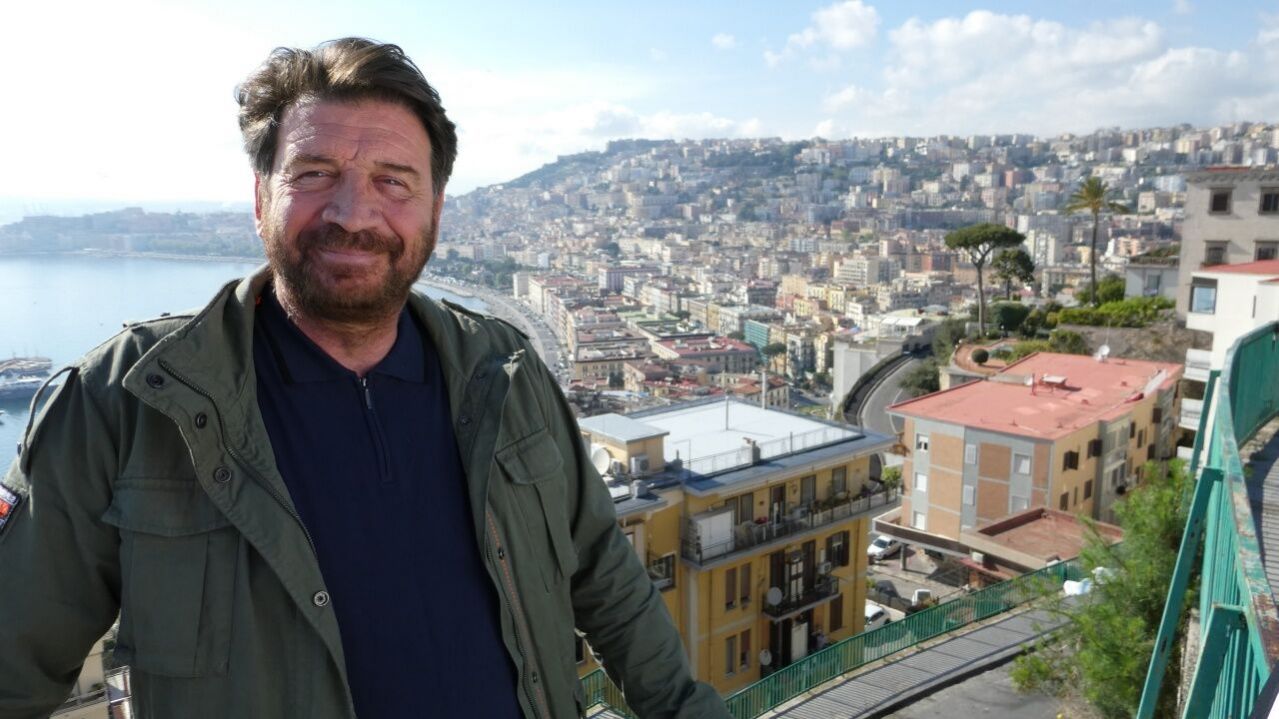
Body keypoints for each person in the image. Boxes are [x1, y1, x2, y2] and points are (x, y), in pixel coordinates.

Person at [0, 38, 728, 719]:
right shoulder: (123, 401)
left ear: (435, 209)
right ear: (260, 198)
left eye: (393, 181)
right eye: (314, 175)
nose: (353, 214)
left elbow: (604, 576)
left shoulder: (505, 371)